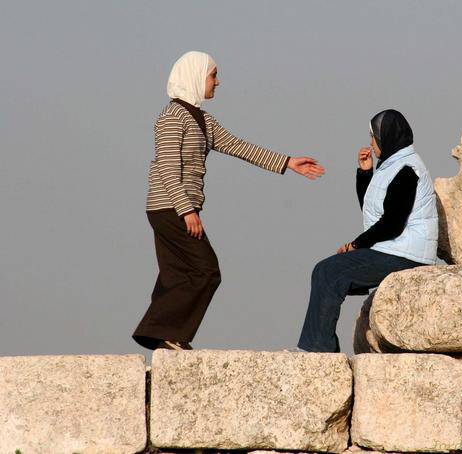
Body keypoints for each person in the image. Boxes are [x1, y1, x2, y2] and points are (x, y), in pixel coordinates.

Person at [132, 51, 325, 351]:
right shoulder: (171, 117)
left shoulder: (202, 120)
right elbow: (168, 169)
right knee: (207, 270)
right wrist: (187, 212)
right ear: (195, 76)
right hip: (169, 207)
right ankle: (167, 333)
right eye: (213, 75)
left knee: (176, 274)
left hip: (177, 208)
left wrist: (287, 162)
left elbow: (239, 146)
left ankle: (158, 333)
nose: (217, 82)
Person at [295, 109, 438, 353]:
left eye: (374, 137)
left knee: (328, 272)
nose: (371, 143)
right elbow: (374, 214)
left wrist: (355, 245)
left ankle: (319, 351)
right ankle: (319, 348)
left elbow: (392, 223)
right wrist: (365, 173)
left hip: (406, 255)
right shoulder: (392, 166)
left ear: (386, 137)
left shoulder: (407, 169)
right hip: (393, 248)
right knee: (329, 271)